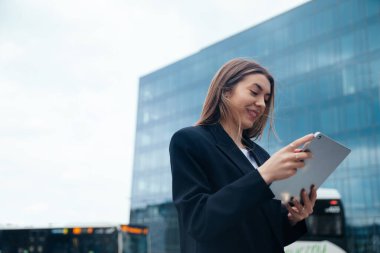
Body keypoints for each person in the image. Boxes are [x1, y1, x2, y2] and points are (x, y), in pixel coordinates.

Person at [169, 58, 317, 253]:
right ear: (225, 90)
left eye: (266, 98)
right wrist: (263, 176)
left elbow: (266, 234)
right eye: (254, 92)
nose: (262, 104)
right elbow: (199, 221)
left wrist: (293, 218)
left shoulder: (261, 156)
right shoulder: (189, 141)